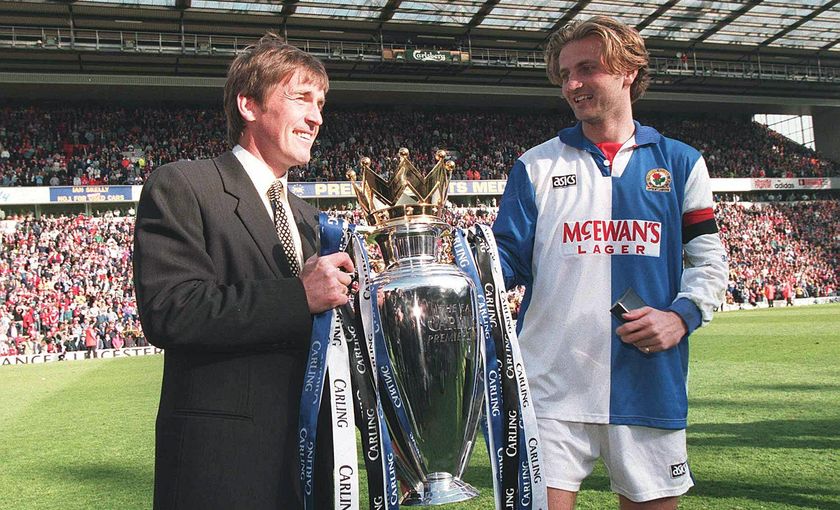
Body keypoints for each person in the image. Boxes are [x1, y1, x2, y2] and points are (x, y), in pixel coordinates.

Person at [492, 16, 728, 510]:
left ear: (628, 70)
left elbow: (708, 264)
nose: (573, 84)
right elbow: (501, 265)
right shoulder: (534, 166)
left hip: (647, 383)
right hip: (548, 386)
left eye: (587, 69)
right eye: (564, 74)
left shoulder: (681, 162)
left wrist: (680, 317)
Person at [133, 33, 353, 509]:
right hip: (221, 471)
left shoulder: (313, 221)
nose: (316, 118)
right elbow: (171, 310)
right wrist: (300, 296)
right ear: (249, 105)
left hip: (310, 470)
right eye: (301, 99)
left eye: (321, 104)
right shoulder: (183, 185)